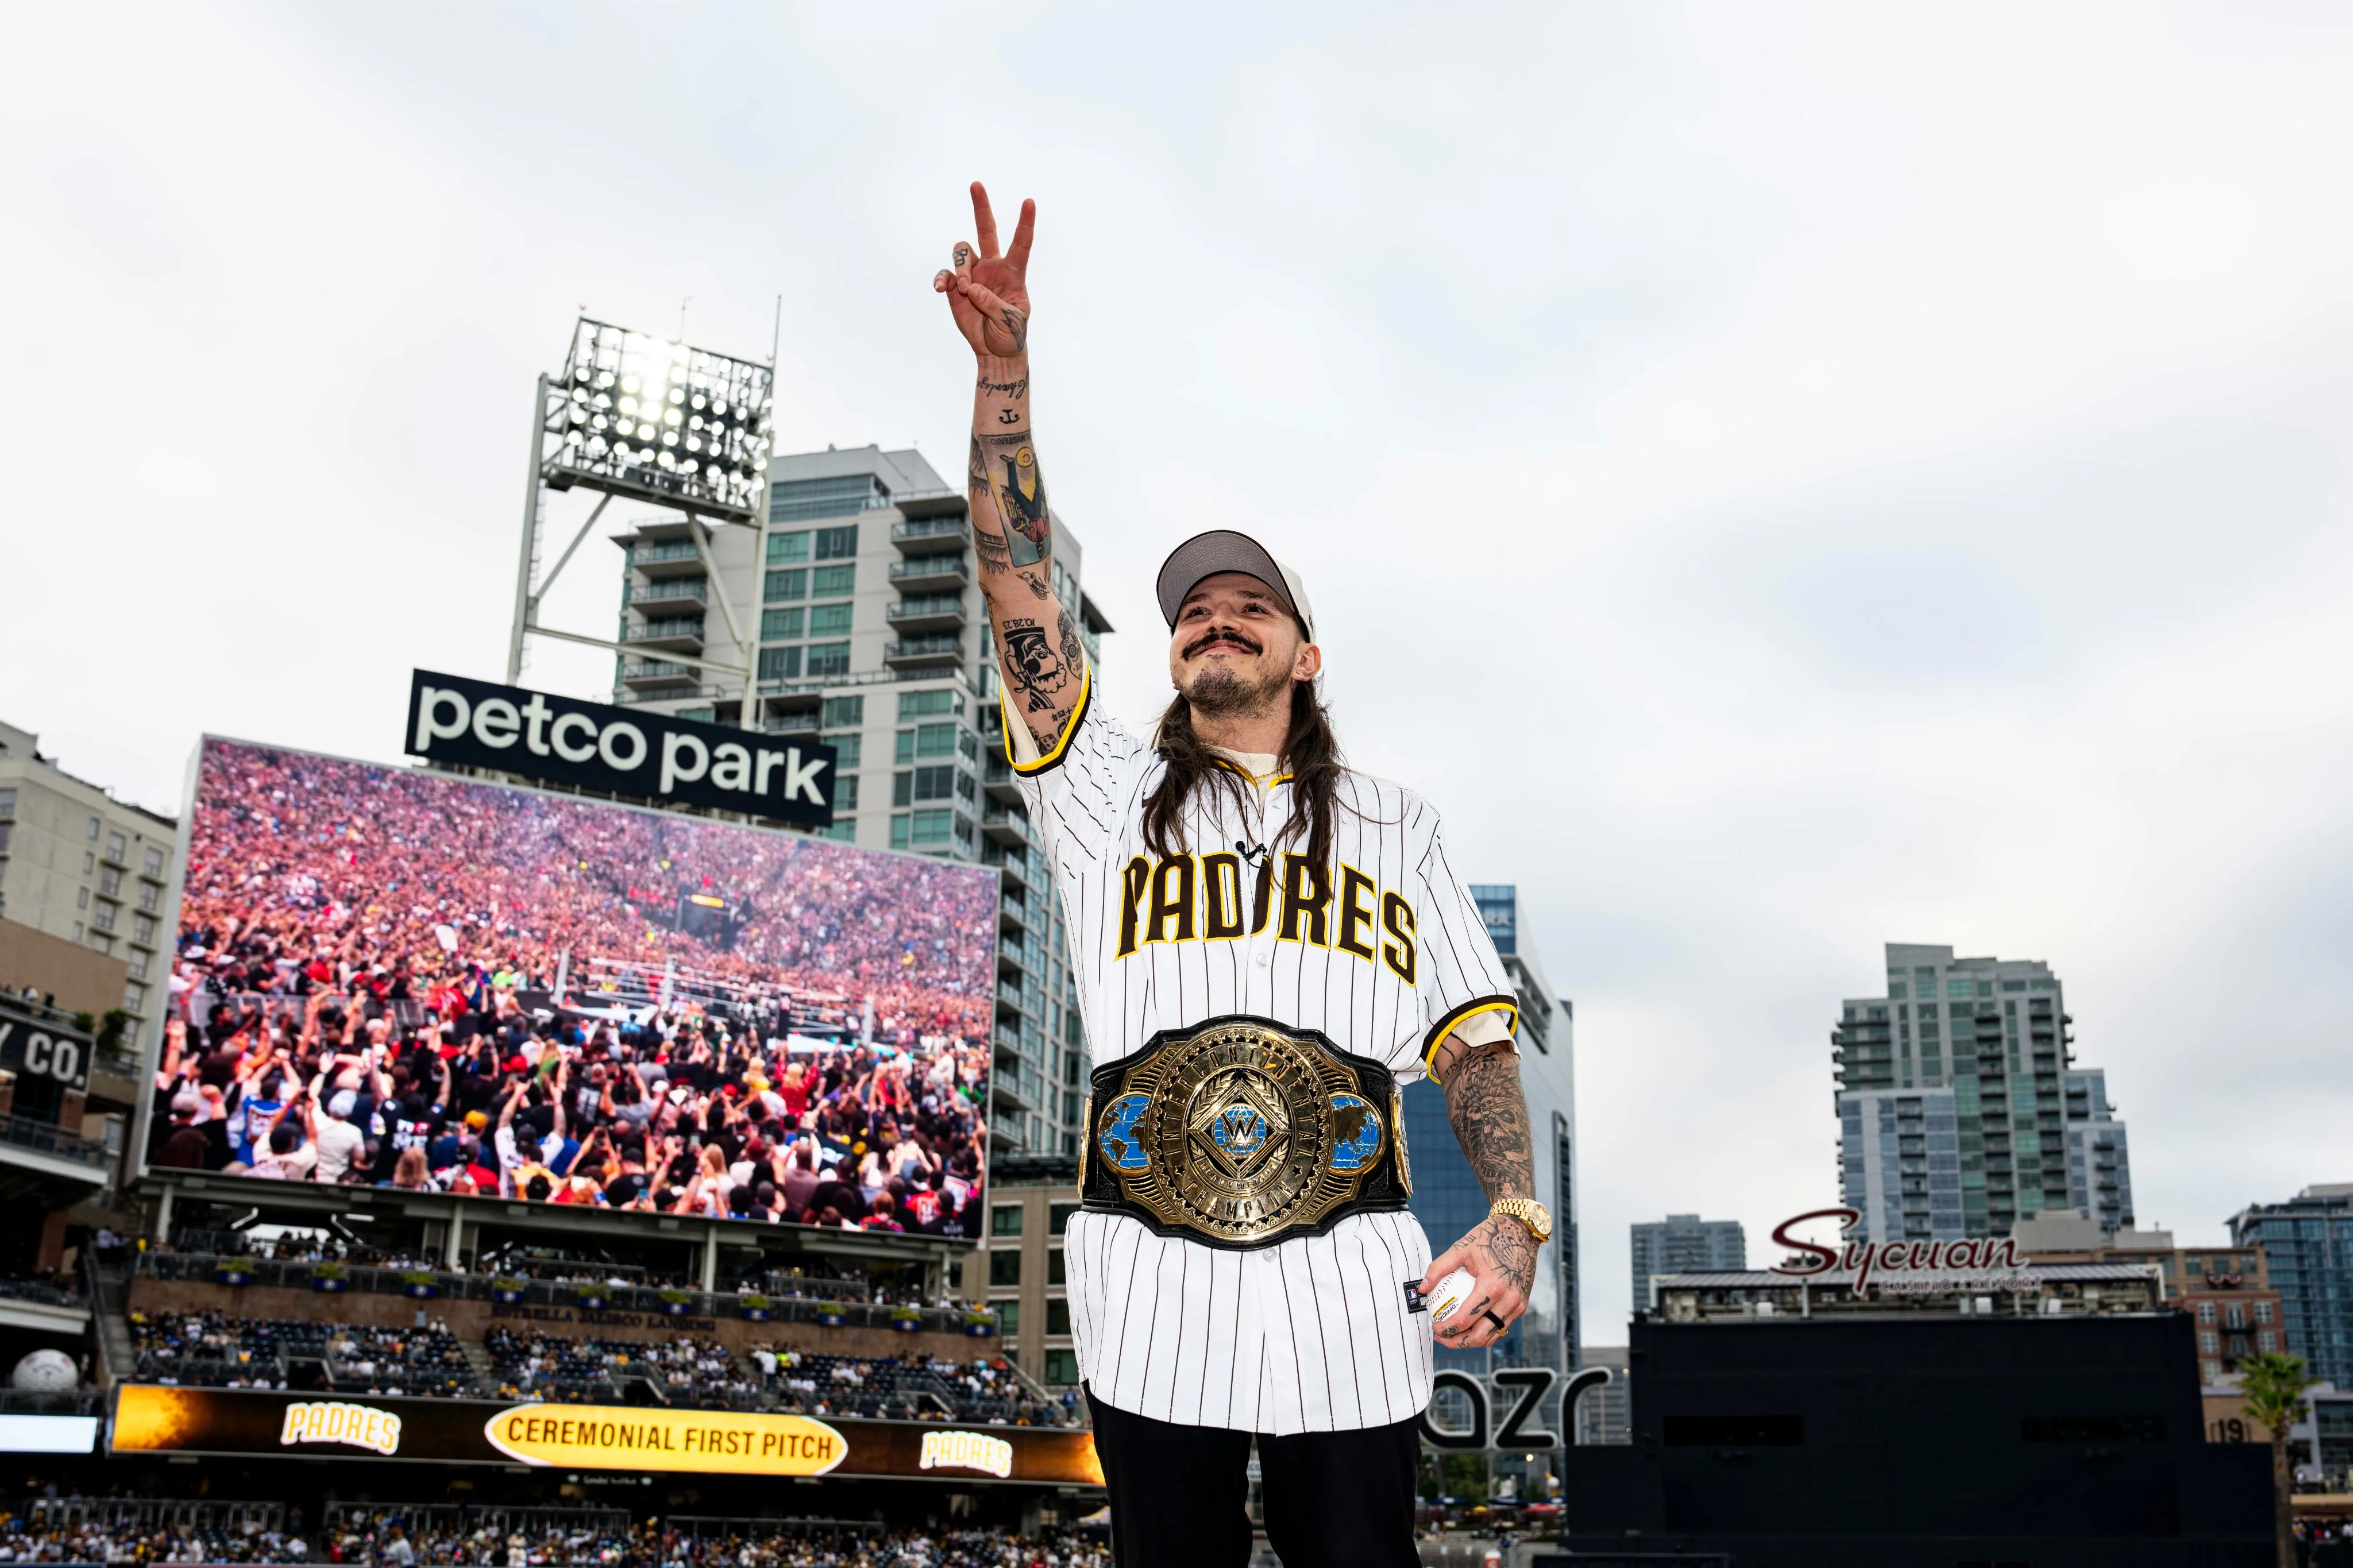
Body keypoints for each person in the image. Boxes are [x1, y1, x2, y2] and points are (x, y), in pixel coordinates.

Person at [934, 182, 1552, 1568]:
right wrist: (1004, 382)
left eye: (1247, 606)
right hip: (1153, 1295)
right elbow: (1018, 586)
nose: (1213, 618)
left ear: (1302, 655)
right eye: (1192, 612)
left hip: (1351, 1293)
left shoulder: (1393, 825)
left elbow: (1472, 1038)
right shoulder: (1098, 795)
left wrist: (1515, 1219)